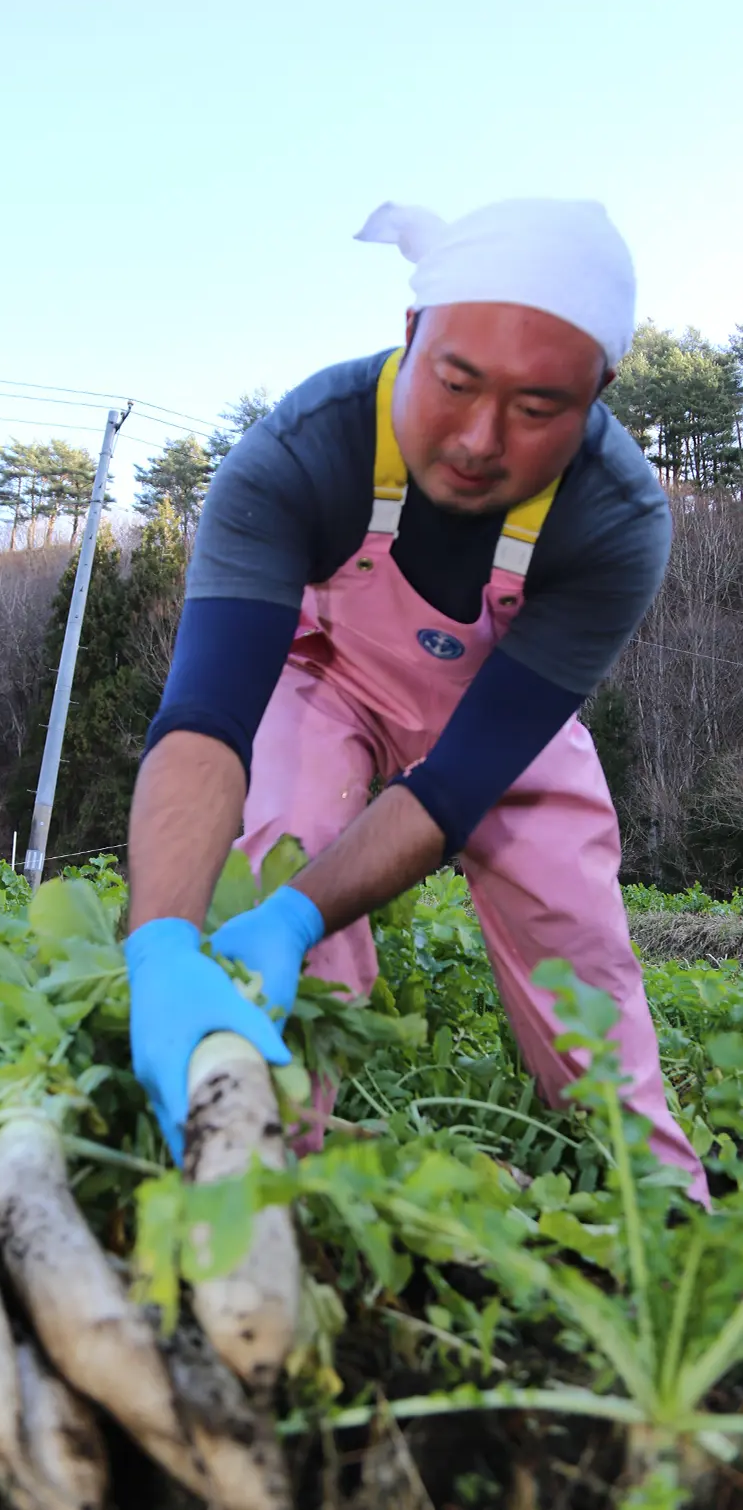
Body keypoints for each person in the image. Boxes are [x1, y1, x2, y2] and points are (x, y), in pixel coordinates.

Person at [122, 194, 710, 1208]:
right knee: (280, 830)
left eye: (535, 409)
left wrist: (299, 917)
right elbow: (208, 721)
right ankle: (267, 1167)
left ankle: (665, 1227)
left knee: (580, 956)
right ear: (410, 334)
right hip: (328, 681)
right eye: (455, 381)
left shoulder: (615, 519)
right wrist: (162, 937)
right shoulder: (301, 452)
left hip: (495, 722)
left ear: (597, 394)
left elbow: (456, 786)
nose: (481, 438)